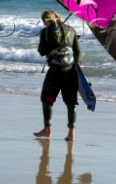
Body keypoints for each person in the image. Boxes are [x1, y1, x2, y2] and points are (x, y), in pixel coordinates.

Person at [33, 10, 80, 141]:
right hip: (70, 71)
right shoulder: (71, 30)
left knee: (46, 99)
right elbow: (77, 50)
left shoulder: (45, 32)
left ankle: (47, 129)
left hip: (55, 71)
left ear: (46, 20)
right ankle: (72, 133)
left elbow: (41, 51)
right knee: (71, 102)